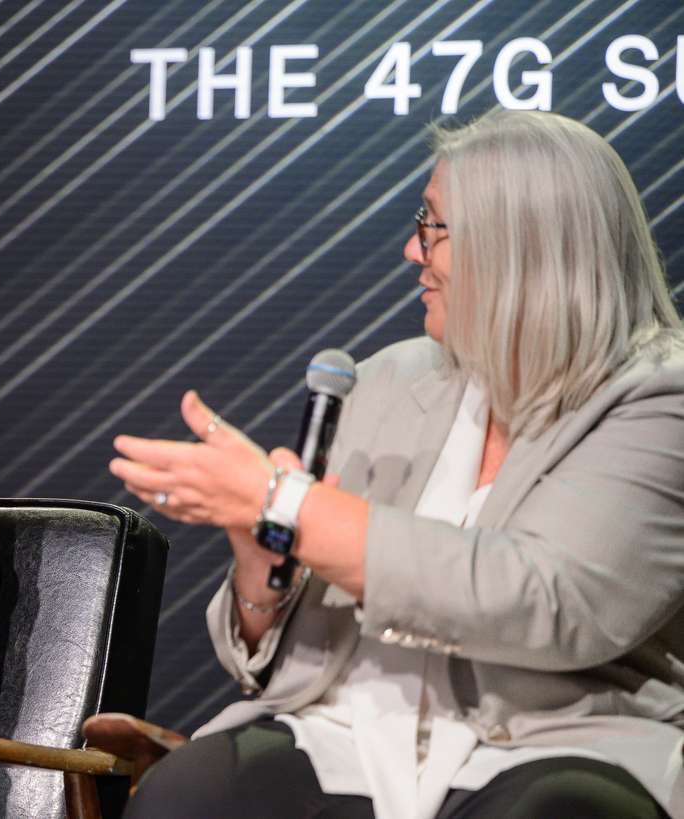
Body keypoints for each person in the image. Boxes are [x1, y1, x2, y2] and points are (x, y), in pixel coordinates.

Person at [109, 110, 684, 818]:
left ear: (518, 244)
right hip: (355, 728)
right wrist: (263, 571)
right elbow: (283, 651)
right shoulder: (390, 378)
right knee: (186, 792)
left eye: (434, 227)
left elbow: (546, 597)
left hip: (553, 742)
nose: (413, 250)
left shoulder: (659, 398)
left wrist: (291, 506)